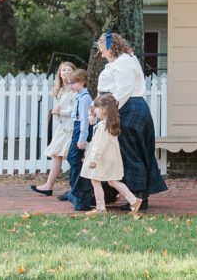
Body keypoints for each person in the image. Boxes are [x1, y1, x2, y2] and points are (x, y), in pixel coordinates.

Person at [68, 33, 167, 211]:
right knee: (115, 153)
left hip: (129, 110)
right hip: (122, 108)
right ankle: (110, 193)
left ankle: (138, 197)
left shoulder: (124, 62)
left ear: (109, 47)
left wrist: (107, 110)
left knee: (129, 153)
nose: (100, 53)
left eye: (101, 49)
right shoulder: (121, 61)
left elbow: (125, 89)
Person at [81, 94, 144, 213]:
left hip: (102, 158)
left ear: (104, 109)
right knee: (113, 181)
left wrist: (93, 159)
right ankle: (134, 200)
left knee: (95, 180)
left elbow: (99, 146)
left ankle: (100, 207)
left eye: (97, 108)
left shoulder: (103, 127)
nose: (95, 111)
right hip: (111, 158)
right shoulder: (109, 124)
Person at [31, 61, 77, 196]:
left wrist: (60, 112)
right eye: (63, 70)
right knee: (57, 155)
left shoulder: (74, 89)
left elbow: (76, 110)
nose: (66, 73)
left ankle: (74, 188)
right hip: (62, 128)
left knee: (74, 158)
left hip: (70, 128)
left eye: (69, 70)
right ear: (59, 73)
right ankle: (48, 186)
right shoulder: (61, 90)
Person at [58, 69, 92, 202]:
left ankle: (76, 189)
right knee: (73, 159)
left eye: (73, 83)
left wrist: (82, 139)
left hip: (80, 130)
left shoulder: (84, 98)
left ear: (82, 82)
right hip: (76, 128)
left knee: (74, 159)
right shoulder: (78, 96)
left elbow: (84, 120)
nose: (70, 86)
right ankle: (74, 188)